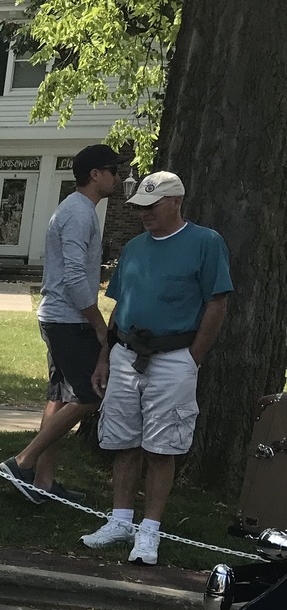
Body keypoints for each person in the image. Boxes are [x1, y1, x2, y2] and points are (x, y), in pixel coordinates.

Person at [80, 171, 232, 565]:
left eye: (152, 206)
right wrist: (105, 356)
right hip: (127, 353)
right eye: (140, 208)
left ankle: (149, 531)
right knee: (123, 441)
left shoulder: (205, 243)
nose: (144, 214)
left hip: (173, 356)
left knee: (162, 447)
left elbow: (217, 304)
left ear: (176, 201)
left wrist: (192, 356)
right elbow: (119, 306)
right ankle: (120, 520)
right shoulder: (134, 248)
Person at [0, 144, 125, 504]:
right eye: (113, 170)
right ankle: (23, 462)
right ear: (95, 175)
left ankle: (43, 482)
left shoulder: (79, 211)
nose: (118, 177)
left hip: (59, 317)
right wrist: (98, 323)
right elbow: (73, 277)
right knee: (90, 393)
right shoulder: (79, 214)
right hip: (67, 320)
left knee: (60, 396)